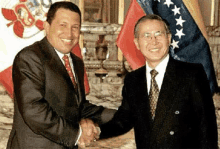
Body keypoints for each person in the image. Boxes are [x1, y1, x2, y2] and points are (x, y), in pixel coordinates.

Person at [98, 14, 218, 149]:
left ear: (168, 38)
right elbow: (122, 121)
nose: (153, 41)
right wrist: (93, 131)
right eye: (146, 35)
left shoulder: (191, 74)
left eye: (158, 34)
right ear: (137, 43)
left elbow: (207, 129)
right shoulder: (133, 80)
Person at [6, 2, 115, 149]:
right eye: (62, 25)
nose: (69, 33)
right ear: (47, 27)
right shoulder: (29, 57)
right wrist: (77, 134)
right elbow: (34, 110)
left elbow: (79, 107)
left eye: (75, 27)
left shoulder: (76, 63)